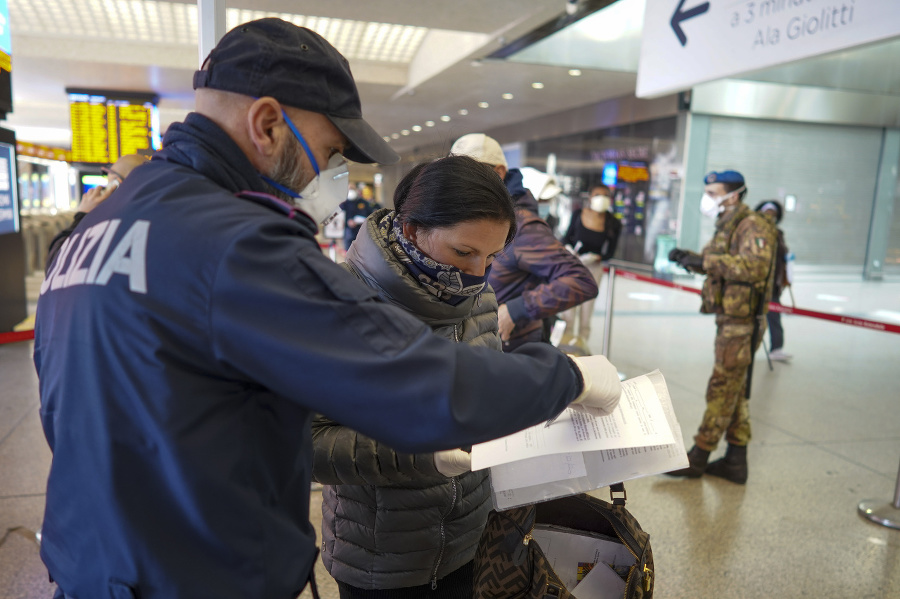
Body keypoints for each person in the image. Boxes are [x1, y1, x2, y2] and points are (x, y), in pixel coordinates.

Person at [33, 19, 623, 599]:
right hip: (190, 571)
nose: (332, 172)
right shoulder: (235, 242)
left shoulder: (106, 221)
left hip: (94, 557)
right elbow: (425, 384)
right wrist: (568, 375)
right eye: (329, 149)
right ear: (268, 123)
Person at [313, 155, 517, 598]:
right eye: (463, 252)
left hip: (471, 538)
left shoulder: (479, 296)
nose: (478, 272)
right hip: (381, 555)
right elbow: (306, 444)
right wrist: (423, 456)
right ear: (411, 230)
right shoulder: (339, 305)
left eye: (492, 255)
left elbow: (491, 386)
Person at [665, 170, 776, 485]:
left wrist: (707, 263)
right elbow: (722, 260)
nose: (708, 198)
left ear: (734, 194)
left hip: (743, 322)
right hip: (730, 317)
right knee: (735, 388)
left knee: (722, 387)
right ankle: (736, 461)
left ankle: (698, 455)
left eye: (713, 192)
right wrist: (691, 259)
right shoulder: (728, 223)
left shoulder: (752, 225)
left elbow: (755, 267)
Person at [450, 133, 599, 351]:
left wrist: (516, 309)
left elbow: (581, 280)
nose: (461, 184)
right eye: (455, 174)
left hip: (511, 350)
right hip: (475, 347)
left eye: (471, 173)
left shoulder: (521, 226)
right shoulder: (472, 216)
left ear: (499, 172)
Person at [45, 153, 148, 270]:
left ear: (116, 184)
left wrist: (83, 216)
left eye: (109, 178)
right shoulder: (154, 218)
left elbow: (56, 265)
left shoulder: (106, 227)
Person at [559, 184, 623, 351]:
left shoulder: (613, 223)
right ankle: (564, 347)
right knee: (568, 311)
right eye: (597, 194)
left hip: (593, 269)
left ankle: (581, 348)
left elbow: (610, 252)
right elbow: (566, 238)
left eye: (605, 195)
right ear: (590, 197)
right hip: (573, 265)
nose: (601, 198)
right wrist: (569, 250)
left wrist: (596, 257)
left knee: (586, 313)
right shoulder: (578, 214)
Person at [755, 200, 792, 361]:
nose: (770, 217)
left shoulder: (778, 234)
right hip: (756, 283)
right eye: (767, 213)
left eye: (773, 214)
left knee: (774, 316)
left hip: (773, 285)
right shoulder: (754, 232)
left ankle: (776, 348)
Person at [340, 184, 377, 250]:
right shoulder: (344, 204)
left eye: (352, 189)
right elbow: (339, 216)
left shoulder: (364, 203)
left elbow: (370, 215)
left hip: (361, 230)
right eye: (349, 189)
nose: (351, 191)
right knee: (349, 249)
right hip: (348, 231)